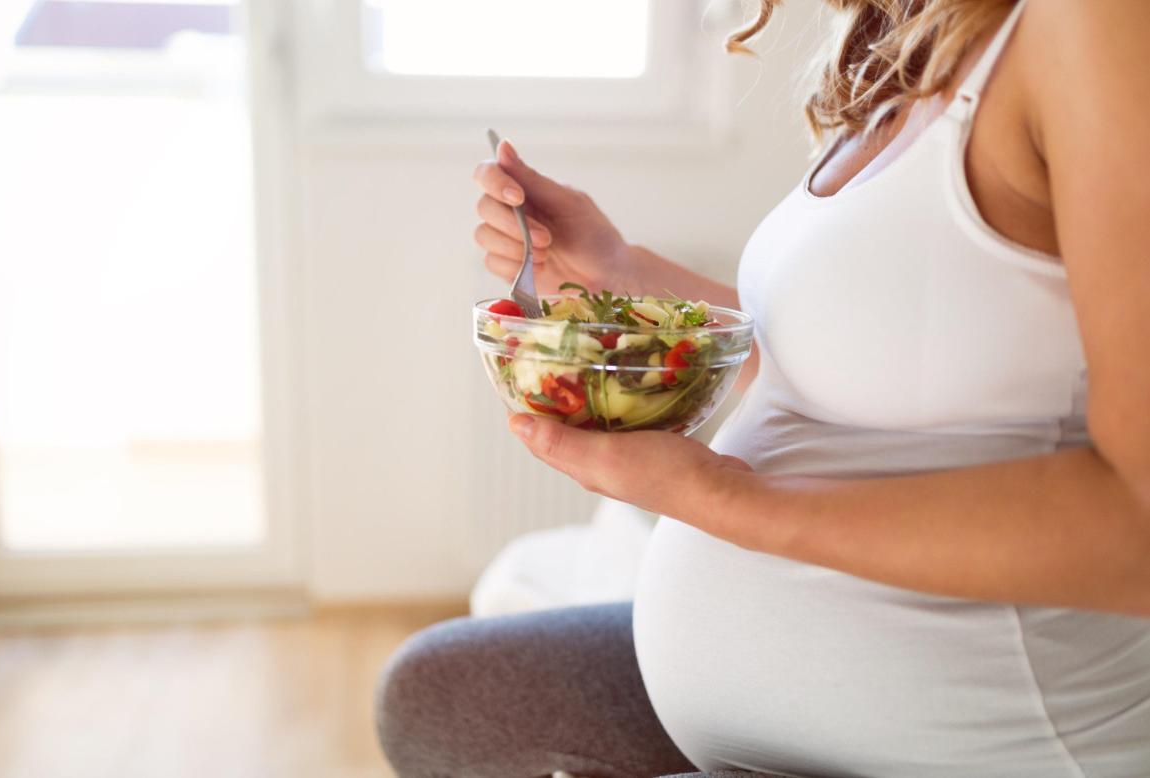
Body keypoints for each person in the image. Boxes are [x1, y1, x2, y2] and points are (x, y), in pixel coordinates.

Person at [376, 1, 1150, 775]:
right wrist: (617, 267)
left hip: (979, 739)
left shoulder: (1094, 25)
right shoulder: (913, 38)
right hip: (801, 710)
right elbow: (847, 352)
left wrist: (718, 498)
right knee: (440, 698)